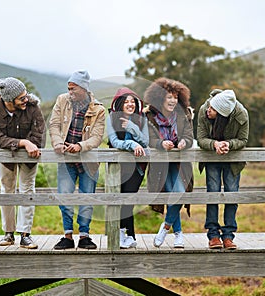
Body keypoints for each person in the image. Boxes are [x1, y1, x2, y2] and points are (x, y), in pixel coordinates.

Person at [0, 77, 46, 249]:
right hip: (6, 155)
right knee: (7, 191)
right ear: (9, 100)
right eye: (22, 98)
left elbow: (39, 132)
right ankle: (8, 233)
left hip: (29, 156)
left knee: (27, 190)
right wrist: (23, 143)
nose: (26, 99)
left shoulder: (33, 107)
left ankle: (25, 235)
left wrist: (30, 145)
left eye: (26, 95)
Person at [49, 70, 105, 249]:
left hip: (88, 160)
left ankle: (84, 236)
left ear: (83, 88)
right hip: (66, 158)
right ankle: (67, 236)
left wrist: (80, 146)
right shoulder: (62, 100)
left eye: (73, 88)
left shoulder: (99, 109)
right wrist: (58, 143)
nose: (70, 92)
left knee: (87, 199)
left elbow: (97, 137)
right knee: (65, 198)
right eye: (68, 88)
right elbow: (54, 124)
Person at [143, 77, 194, 248]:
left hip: (180, 164)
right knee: (172, 198)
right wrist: (160, 144)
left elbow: (189, 135)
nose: (173, 101)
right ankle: (178, 235)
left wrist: (184, 143)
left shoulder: (184, 113)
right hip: (160, 165)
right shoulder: (150, 115)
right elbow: (148, 139)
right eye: (169, 97)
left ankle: (165, 228)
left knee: (178, 193)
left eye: (175, 97)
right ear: (160, 98)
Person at [197, 89, 249, 250]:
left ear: (221, 114)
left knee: (231, 194)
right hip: (212, 158)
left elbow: (243, 139)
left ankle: (228, 235)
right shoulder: (204, 110)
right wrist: (214, 144)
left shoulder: (242, 115)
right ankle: (213, 235)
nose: (208, 110)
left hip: (232, 160)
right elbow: (201, 138)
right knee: (212, 193)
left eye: (212, 110)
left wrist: (229, 144)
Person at [107, 87, 149, 248]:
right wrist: (131, 143)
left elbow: (145, 142)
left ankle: (127, 234)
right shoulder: (111, 118)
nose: (130, 104)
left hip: (136, 168)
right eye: (126, 102)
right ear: (119, 104)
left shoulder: (141, 118)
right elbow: (114, 142)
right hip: (117, 167)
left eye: (133, 102)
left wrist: (132, 127)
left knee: (128, 200)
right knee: (118, 200)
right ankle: (122, 234)